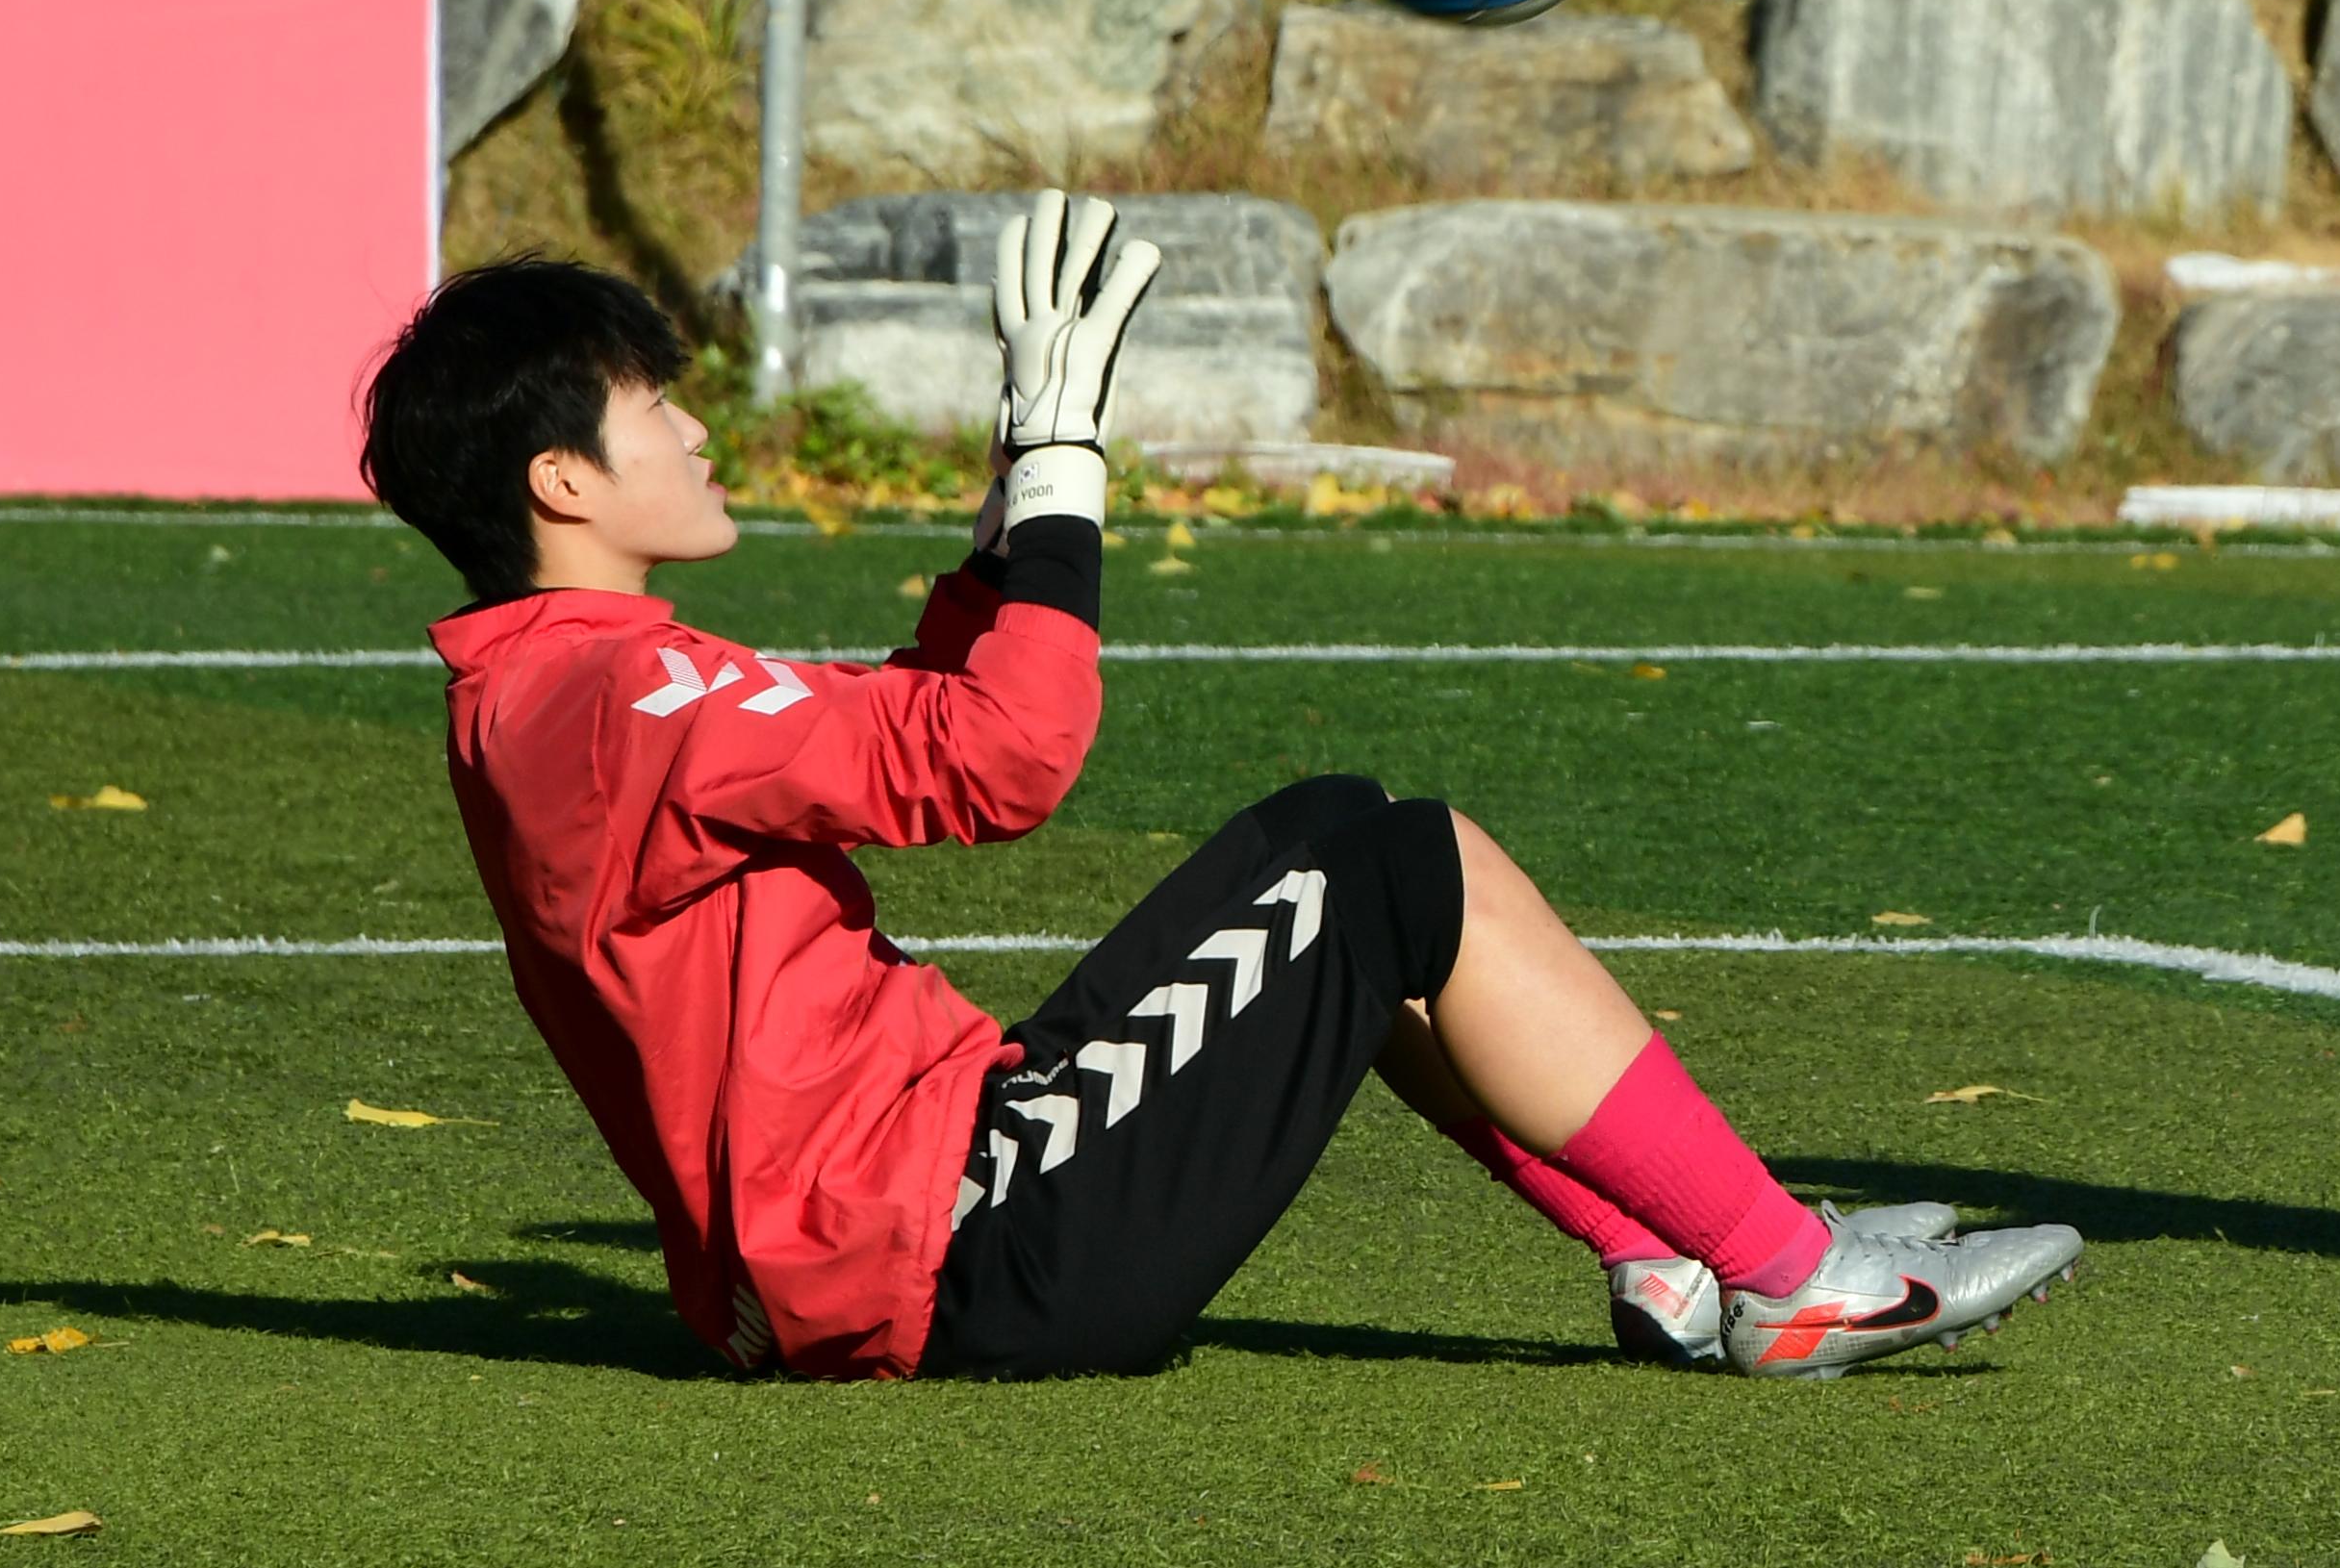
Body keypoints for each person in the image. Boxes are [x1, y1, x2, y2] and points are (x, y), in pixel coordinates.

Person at [358, 208, 2079, 1383]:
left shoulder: (565, 681)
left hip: (914, 1220)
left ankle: (1673, 1256)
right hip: (951, 1252)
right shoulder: (615, 687)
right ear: (562, 476)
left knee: (1341, 846)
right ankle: (1788, 1276)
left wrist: (999, 530)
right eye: (656, 407)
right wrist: (1063, 467)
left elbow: (913, 712)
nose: (697, 433)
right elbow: (1004, 756)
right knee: (1393, 869)